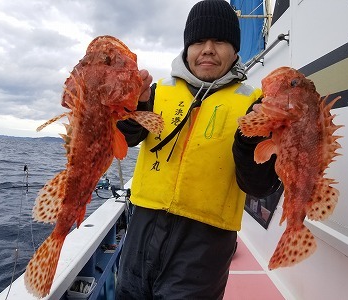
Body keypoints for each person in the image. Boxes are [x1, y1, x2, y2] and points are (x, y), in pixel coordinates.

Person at [116, 0, 280, 299]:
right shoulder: (157, 91)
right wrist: (134, 105)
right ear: (187, 48)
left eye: (219, 40)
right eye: (198, 41)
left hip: (205, 244)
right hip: (142, 227)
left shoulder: (257, 104)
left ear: (234, 50)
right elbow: (124, 138)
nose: (207, 49)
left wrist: (250, 138)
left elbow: (259, 185)